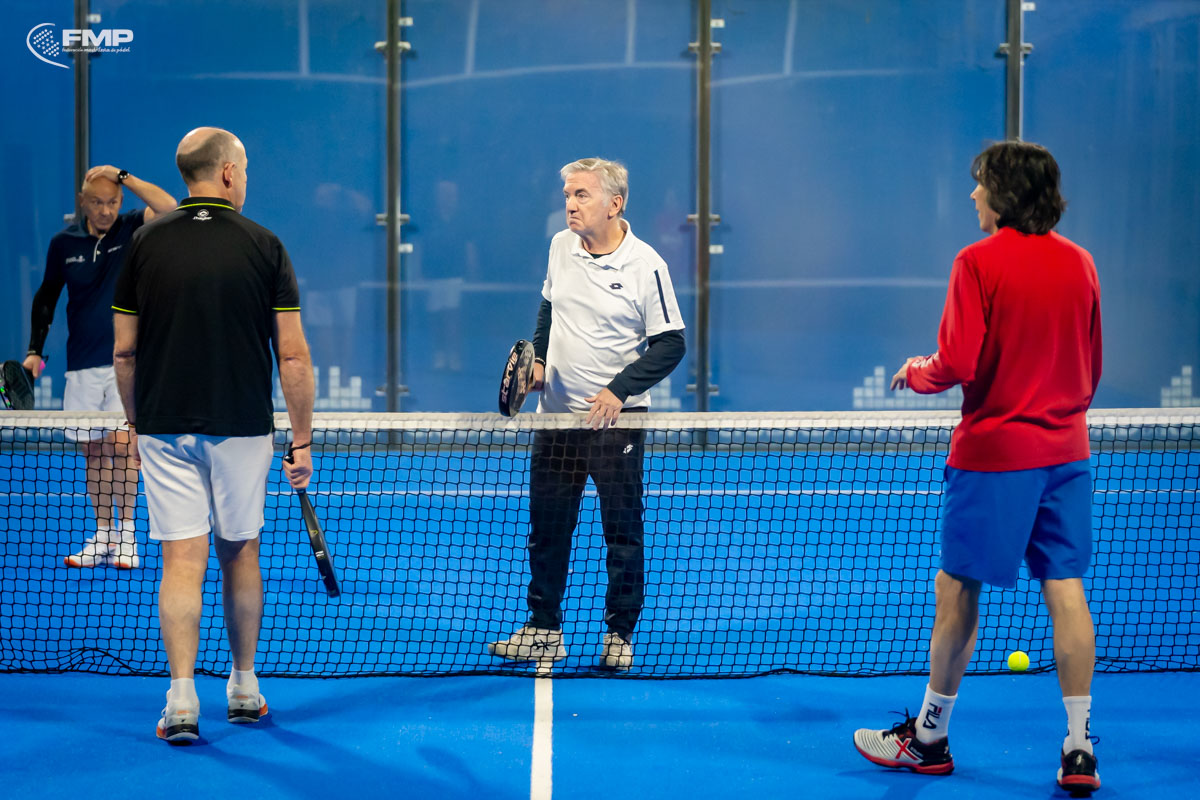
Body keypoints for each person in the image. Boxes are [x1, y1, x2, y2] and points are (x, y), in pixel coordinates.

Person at [852, 141, 1103, 795]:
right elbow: (1091, 364)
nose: (973, 194)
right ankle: (1079, 748)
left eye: (981, 183)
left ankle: (929, 739)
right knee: (1066, 589)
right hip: (1068, 453)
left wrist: (916, 371)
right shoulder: (1081, 263)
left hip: (994, 456)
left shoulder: (976, 262)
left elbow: (956, 362)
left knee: (957, 589)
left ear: (1004, 193)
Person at [112, 127, 314, 743]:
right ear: (227, 172)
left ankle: (181, 700)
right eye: (244, 168)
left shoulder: (144, 244)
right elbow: (293, 356)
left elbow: (124, 353)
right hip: (241, 429)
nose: (245, 178)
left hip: (164, 425)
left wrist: (138, 423)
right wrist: (302, 439)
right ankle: (244, 688)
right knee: (240, 553)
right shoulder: (265, 245)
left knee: (180, 560)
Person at [489, 158, 686, 671]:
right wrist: (537, 362)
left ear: (614, 204)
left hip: (616, 426)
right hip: (556, 420)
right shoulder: (561, 246)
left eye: (581, 195)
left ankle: (619, 635)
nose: (570, 205)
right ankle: (543, 630)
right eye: (568, 196)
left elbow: (671, 344)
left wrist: (619, 390)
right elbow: (549, 310)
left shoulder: (647, 265)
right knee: (548, 529)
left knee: (621, 531)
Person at [25, 165, 176, 569]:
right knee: (93, 451)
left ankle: (127, 536)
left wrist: (123, 176)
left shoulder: (131, 229)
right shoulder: (63, 243)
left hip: (126, 362)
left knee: (123, 448)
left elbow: (168, 206)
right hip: (82, 364)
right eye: (97, 202)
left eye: (112, 202)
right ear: (82, 202)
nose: (105, 210)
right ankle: (103, 534)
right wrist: (35, 349)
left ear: (121, 202)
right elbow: (46, 296)